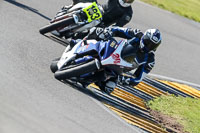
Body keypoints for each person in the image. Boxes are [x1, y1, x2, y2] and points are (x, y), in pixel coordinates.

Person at [69, 26, 162, 93]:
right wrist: (109, 31)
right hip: (112, 52)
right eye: (147, 42)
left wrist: (124, 79)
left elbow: (138, 79)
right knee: (97, 31)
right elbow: (117, 30)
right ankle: (80, 43)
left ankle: (86, 80)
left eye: (152, 45)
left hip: (117, 70)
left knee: (109, 87)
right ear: (144, 37)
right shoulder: (136, 34)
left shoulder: (150, 60)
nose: (148, 46)